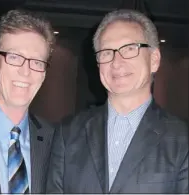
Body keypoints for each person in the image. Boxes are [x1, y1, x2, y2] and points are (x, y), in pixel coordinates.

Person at [46, 9, 188, 194]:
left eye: (130, 49)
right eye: (106, 52)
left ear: (154, 59)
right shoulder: (68, 132)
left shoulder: (182, 140)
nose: (116, 62)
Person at [0, 9, 55, 193]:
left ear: (44, 73)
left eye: (37, 62)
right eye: (14, 57)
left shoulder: (55, 141)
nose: (25, 72)